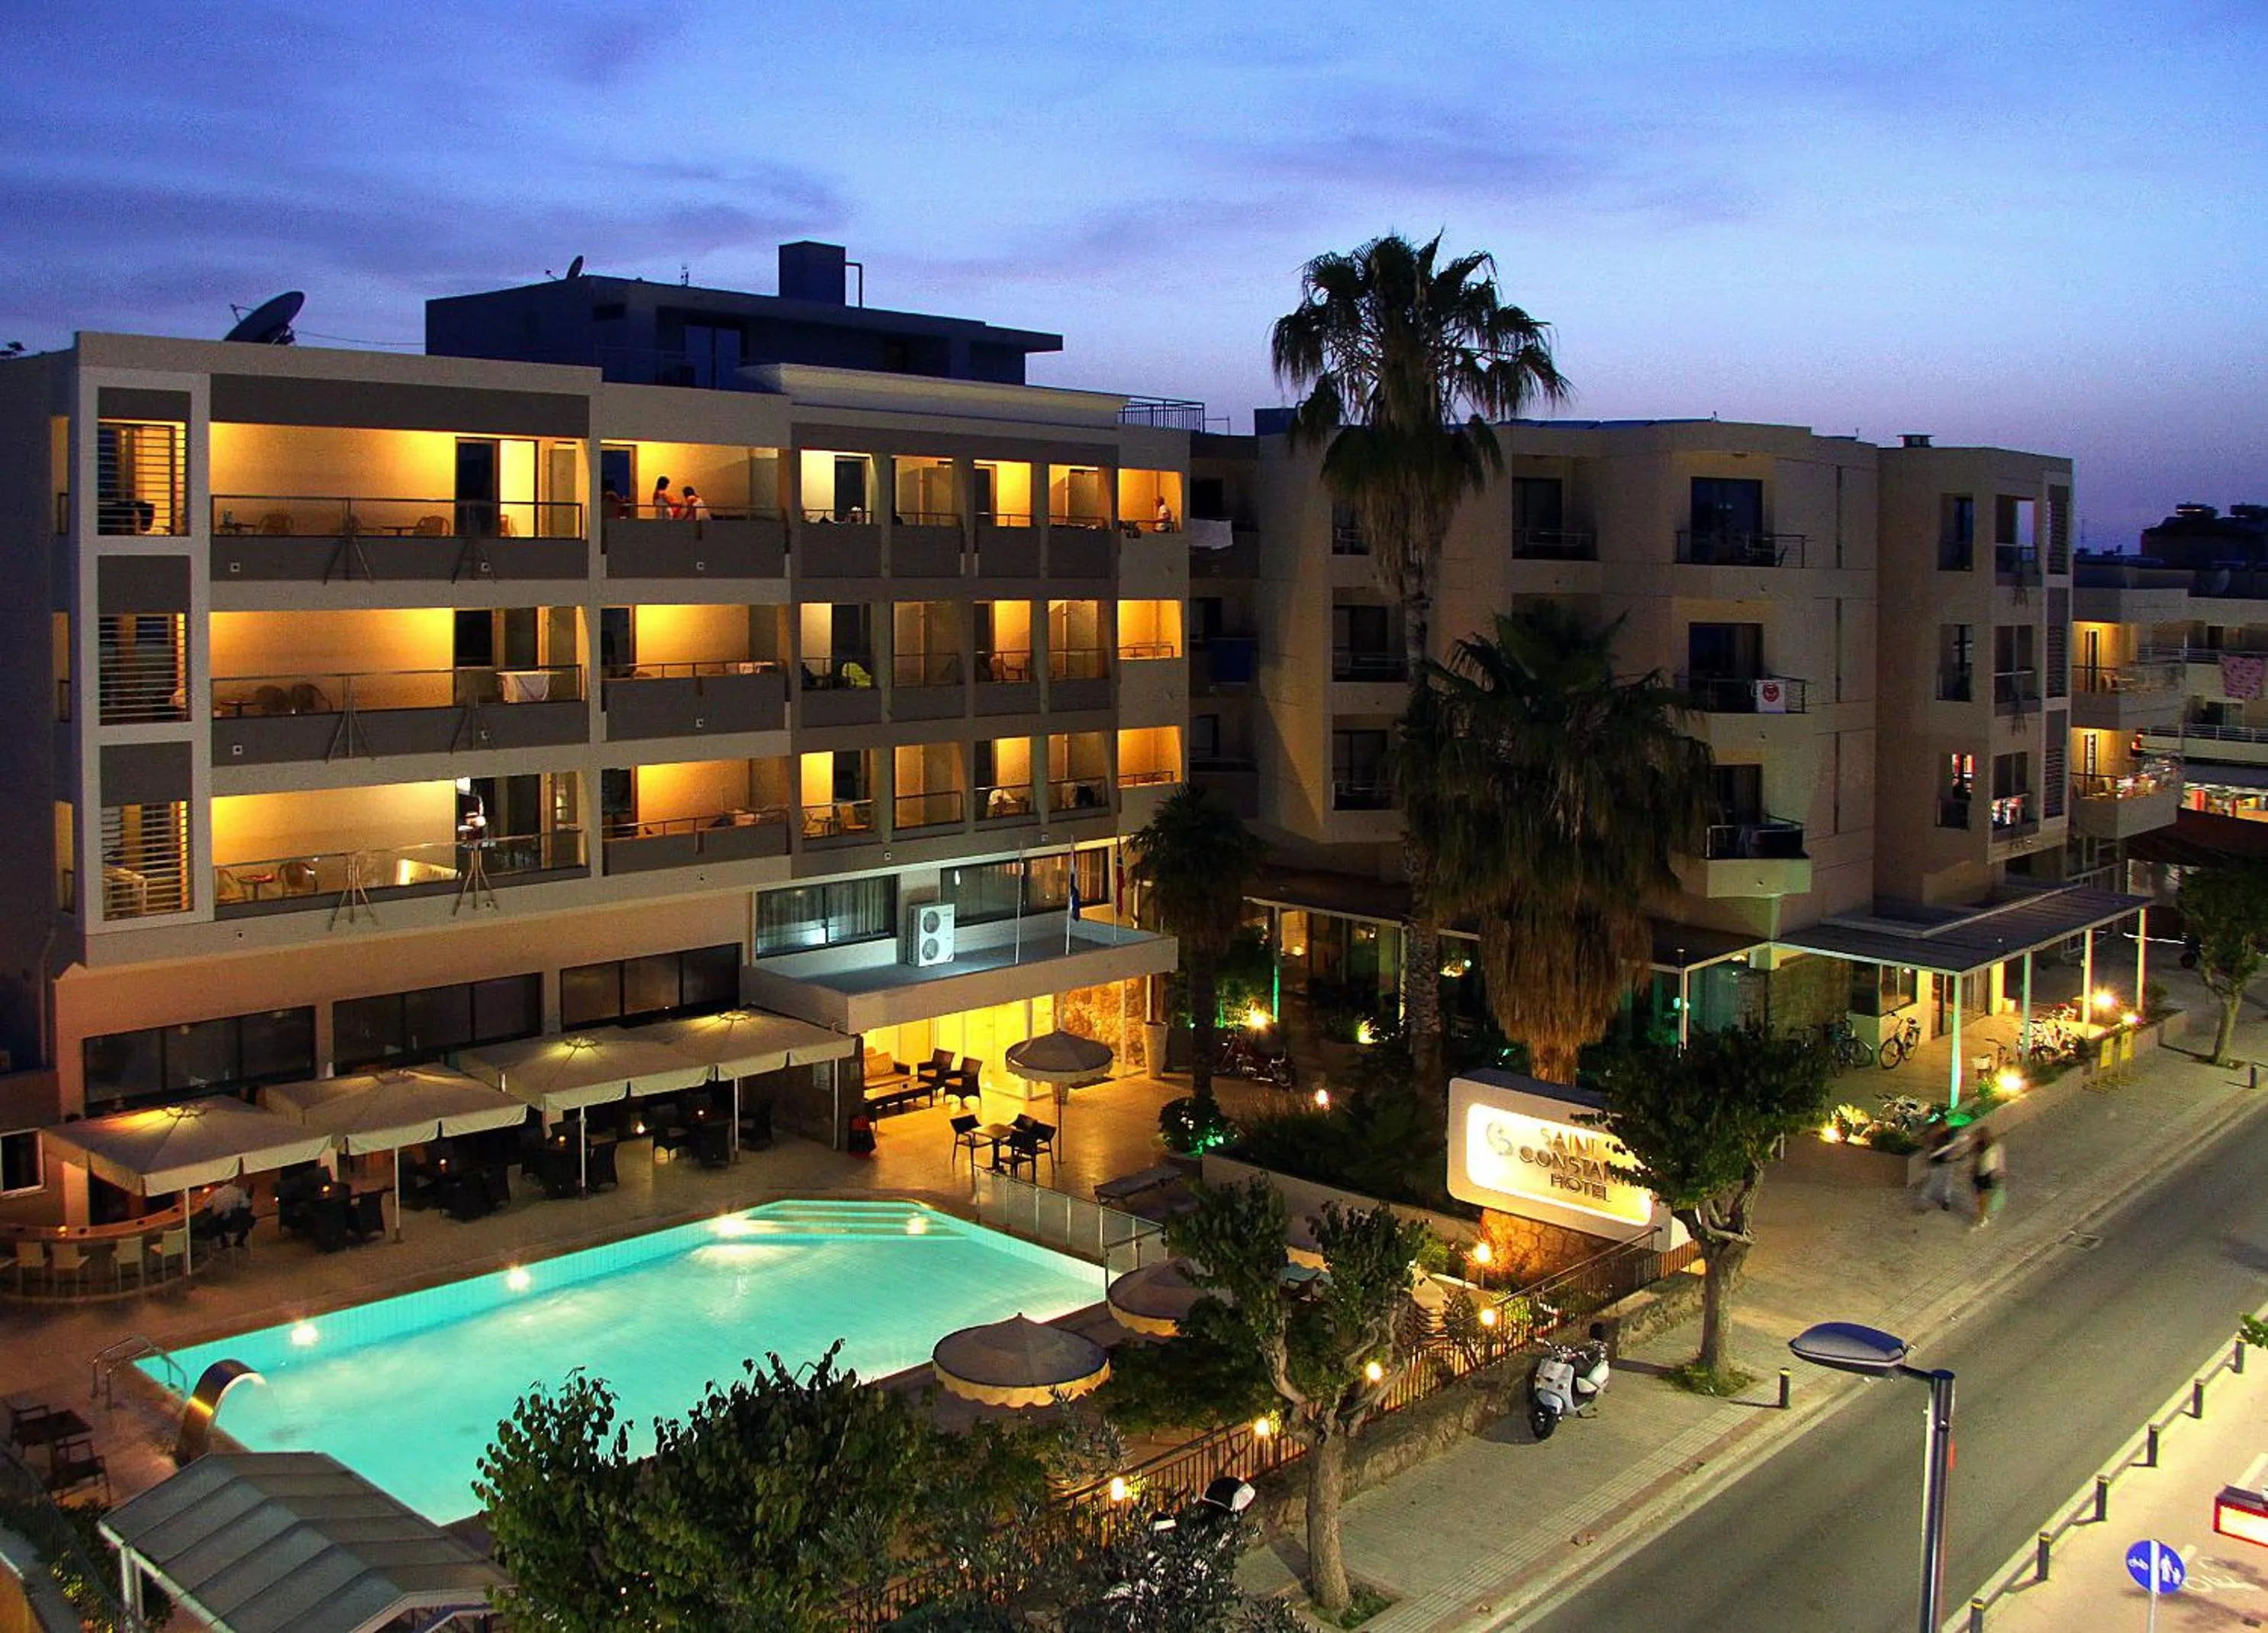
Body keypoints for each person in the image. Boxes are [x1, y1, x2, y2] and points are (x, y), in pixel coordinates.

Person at [1918, 1118, 1964, 1213]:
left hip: (1946, 1161)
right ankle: (1925, 1201)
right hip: (1939, 1162)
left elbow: (1952, 1147)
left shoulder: (1948, 1134)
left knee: (1945, 1182)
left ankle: (1945, 1201)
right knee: (1933, 1182)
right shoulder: (1938, 1136)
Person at [1971, 1124, 2005, 1226]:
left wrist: (2000, 1170)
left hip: (1988, 1173)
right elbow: (1976, 1159)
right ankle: (1983, 1214)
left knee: (1984, 1195)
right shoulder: (1979, 1145)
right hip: (1980, 1172)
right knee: (1980, 1196)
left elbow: (1999, 1159)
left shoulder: (1995, 1146)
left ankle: (1984, 1215)